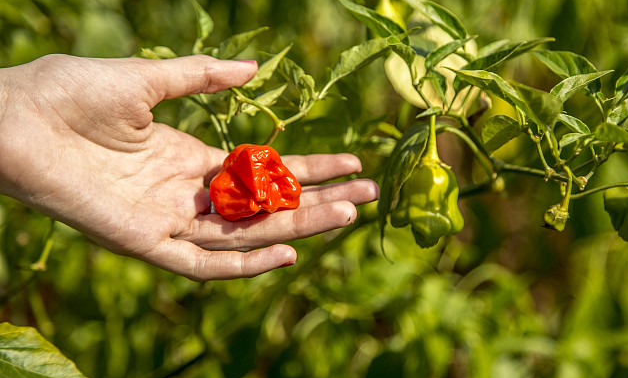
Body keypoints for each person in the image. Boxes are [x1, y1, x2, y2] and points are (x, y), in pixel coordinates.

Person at [0, 54, 380, 280]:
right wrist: (20, 103)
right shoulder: (239, 173)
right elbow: (268, 187)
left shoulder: (239, 175)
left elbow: (272, 189)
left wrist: (15, 105)